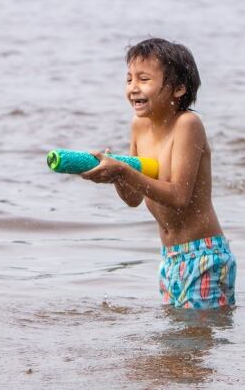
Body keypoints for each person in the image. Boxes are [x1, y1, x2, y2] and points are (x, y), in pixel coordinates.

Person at [81, 38, 236, 309]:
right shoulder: (139, 126)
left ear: (178, 89)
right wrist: (117, 175)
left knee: (193, 341)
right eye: (129, 79)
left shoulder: (188, 124)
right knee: (177, 342)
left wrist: (123, 169)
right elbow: (133, 199)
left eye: (143, 79)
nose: (133, 88)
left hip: (203, 254)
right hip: (170, 256)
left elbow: (178, 196)